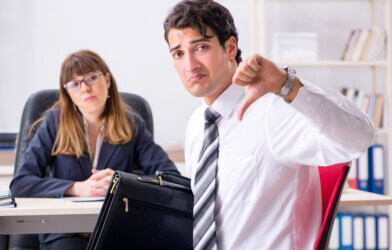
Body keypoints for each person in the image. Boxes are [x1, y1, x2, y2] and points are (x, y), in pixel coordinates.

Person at [163, 0, 376, 249]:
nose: (190, 65)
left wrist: (287, 84)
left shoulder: (273, 111)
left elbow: (361, 137)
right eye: (178, 53)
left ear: (230, 48)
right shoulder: (197, 123)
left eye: (200, 47)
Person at [10, 49, 178, 249]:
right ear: (68, 94)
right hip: (66, 232)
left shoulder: (132, 124)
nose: (85, 89)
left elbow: (169, 178)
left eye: (91, 78)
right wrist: (77, 188)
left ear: (107, 80)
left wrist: (122, 184)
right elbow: (21, 183)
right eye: (74, 84)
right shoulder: (54, 122)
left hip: (116, 229)